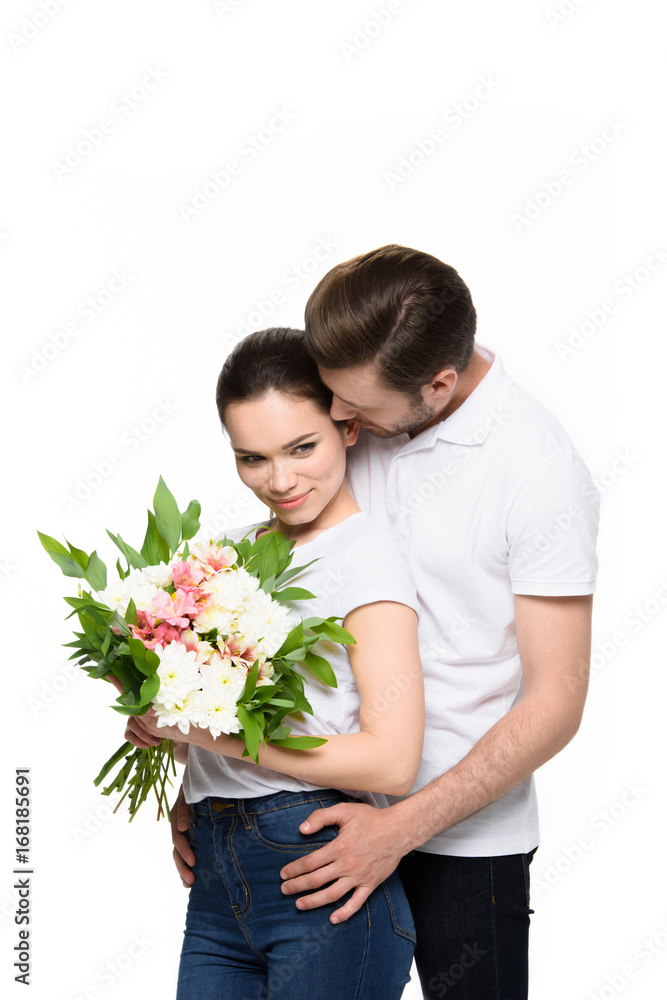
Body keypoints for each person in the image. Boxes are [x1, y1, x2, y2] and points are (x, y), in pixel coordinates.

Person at [173, 245, 600, 1000]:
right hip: (314, 818)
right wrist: (209, 787)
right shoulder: (348, 417)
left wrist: (402, 827)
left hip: (465, 840)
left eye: (355, 409)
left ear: (436, 385)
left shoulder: (537, 473)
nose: (339, 419)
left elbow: (555, 702)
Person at [124, 326, 424, 1000]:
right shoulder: (219, 553)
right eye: (252, 458)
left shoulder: (364, 557)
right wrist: (162, 731)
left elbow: (391, 760)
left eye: (301, 448)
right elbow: (206, 714)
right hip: (215, 875)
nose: (280, 481)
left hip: (320, 871)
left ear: (346, 426)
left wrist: (195, 733)